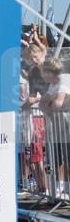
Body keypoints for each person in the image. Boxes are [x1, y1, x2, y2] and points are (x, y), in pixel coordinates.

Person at [40, 59, 70, 197]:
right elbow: (41, 104)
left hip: (66, 125)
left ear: (51, 72)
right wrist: (50, 109)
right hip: (59, 127)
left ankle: (65, 189)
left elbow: (58, 103)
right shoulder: (53, 84)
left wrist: (49, 108)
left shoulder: (64, 79)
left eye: (44, 72)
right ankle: (57, 189)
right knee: (56, 157)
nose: (43, 76)